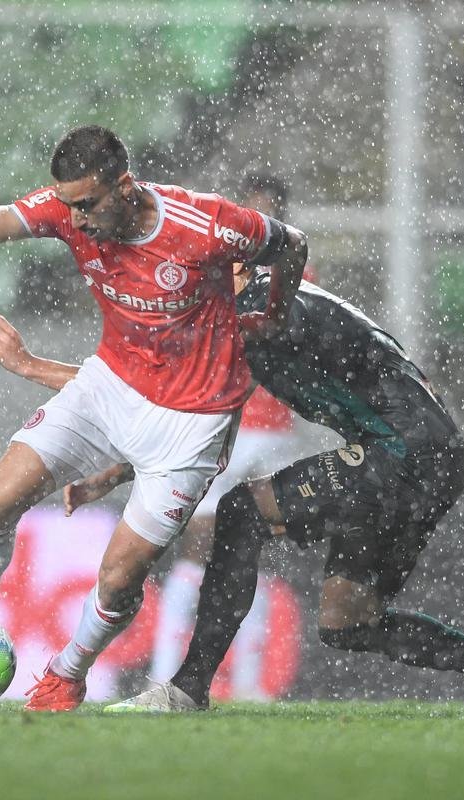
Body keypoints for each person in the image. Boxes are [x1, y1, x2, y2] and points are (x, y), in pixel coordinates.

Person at [0, 263, 464, 715]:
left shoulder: (257, 312)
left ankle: (187, 689)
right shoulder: (267, 312)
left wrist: (30, 364)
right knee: (346, 620)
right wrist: (119, 471)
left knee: (241, 514)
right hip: (432, 458)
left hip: (400, 454)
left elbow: (151, 388)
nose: (190, 293)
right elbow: (210, 405)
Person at [0, 125, 308, 711]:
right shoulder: (70, 211)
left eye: (89, 204)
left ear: (124, 185)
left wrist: (272, 313)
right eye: (69, 206)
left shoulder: (204, 225)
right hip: (108, 387)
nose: (78, 220)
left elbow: (289, 242)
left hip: (192, 423)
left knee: (119, 578)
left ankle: (67, 673)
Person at [150, 173, 302, 698]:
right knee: (230, 549)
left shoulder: (237, 268)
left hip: (246, 430)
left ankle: (188, 675)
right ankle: (221, 678)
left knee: (211, 548)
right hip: (238, 428)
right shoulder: (266, 268)